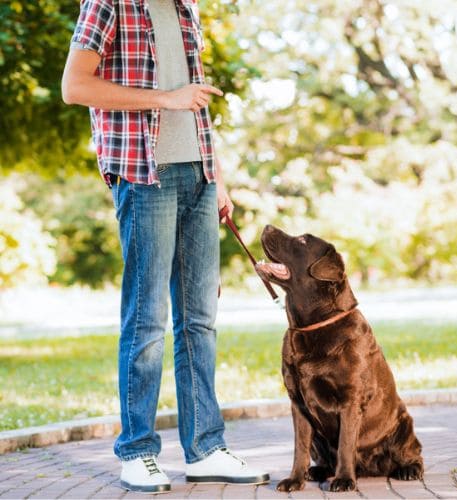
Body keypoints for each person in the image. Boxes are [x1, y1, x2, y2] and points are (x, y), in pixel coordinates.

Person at [61, 0, 269, 494]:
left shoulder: (185, 8)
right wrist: (166, 98)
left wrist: (214, 173)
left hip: (197, 176)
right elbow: (75, 86)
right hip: (143, 174)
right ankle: (137, 452)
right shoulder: (108, 3)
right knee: (147, 319)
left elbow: (195, 101)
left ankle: (205, 449)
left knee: (200, 319)